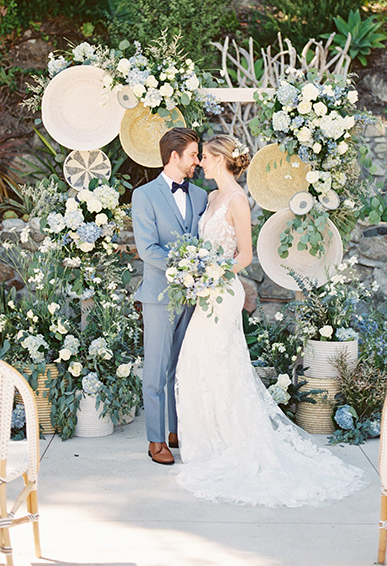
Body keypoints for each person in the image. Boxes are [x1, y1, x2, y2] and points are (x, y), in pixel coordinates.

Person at [175, 134, 368, 507]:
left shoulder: (236, 200)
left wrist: (212, 272)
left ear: (221, 159)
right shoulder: (212, 197)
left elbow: (245, 256)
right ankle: (212, 440)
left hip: (222, 291)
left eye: (206, 157)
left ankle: (232, 443)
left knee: (217, 362)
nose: (200, 162)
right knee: (198, 363)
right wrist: (195, 272)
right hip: (206, 291)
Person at [131, 127, 208, 465]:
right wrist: (185, 268)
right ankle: (155, 439)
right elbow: (148, 250)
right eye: (193, 154)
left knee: (182, 366)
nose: (198, 161)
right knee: (157, 369)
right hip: (159, 295)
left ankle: (176, 431)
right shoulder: (144, 196)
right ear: (174, 156)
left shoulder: (202, 196)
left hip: (193, 297)